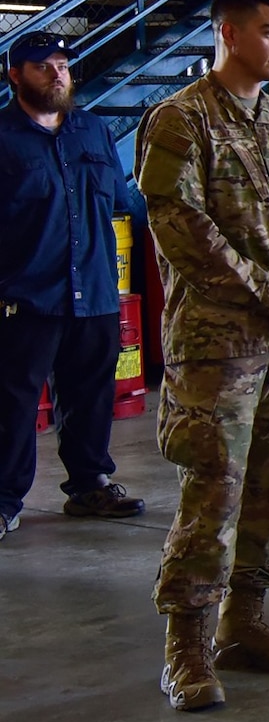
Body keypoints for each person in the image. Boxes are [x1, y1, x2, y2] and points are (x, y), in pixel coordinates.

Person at [137, 0, 269, 710]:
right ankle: (186, 647)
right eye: (268, 32)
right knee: (214, 490)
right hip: (219, 347)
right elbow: (182, 225)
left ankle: (245, 621)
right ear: (228, 33)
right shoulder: (180, 122)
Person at [0, 32, 148, 540]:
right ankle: (4, 500)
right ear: (15, 75)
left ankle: (90, 484)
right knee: (13, 404)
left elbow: (116, 203)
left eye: (63, 64)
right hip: (26, 296)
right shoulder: (2, 138)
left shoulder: (93, 131)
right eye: (43, 66)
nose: (57, 74)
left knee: (90, 393)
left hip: (95, 290)